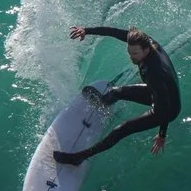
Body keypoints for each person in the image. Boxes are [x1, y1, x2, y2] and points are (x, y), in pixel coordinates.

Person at [55, 25, 180, 165]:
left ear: (146, 50)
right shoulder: (145, 41)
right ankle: (103, 102)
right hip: (158, 90)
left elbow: (164, 107)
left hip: (167, 108)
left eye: (135, 54)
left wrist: (162, 135)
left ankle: (79, 158)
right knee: (115, 92)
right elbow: (113, 32)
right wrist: (86, 30)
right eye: (129, 52)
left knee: (122, 129)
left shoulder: (153, 72)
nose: (131, 57)